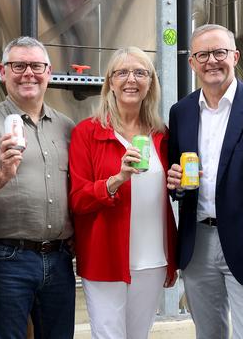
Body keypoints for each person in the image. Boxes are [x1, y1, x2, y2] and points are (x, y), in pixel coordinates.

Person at [166, 24, 243, 338]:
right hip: (197, 245)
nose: (212, 61)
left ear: (234, 56)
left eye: (219, 52)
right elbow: (181, 182)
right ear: (191, 63)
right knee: (208, 334)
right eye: (203, 54)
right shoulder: (181, 112)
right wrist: (177, 183)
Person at [0, 36, 75, 339]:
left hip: (60, 259)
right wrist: (3, 174)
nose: (28, 73)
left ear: (49, 72)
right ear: (2, 71)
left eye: (36, 66)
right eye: (18, 65)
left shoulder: (67, 127)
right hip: (6, 259)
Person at [68, 46, 178, 339]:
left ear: (150, 84)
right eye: (122, 73)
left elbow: (169, 195)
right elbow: (78, 200)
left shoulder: (161, 135)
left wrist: (178, 182)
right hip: (105, 258)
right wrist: (116, 180)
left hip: (153, 259)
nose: (131, 79)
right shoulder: (87, 133)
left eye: (140, 73)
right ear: (110, 83)